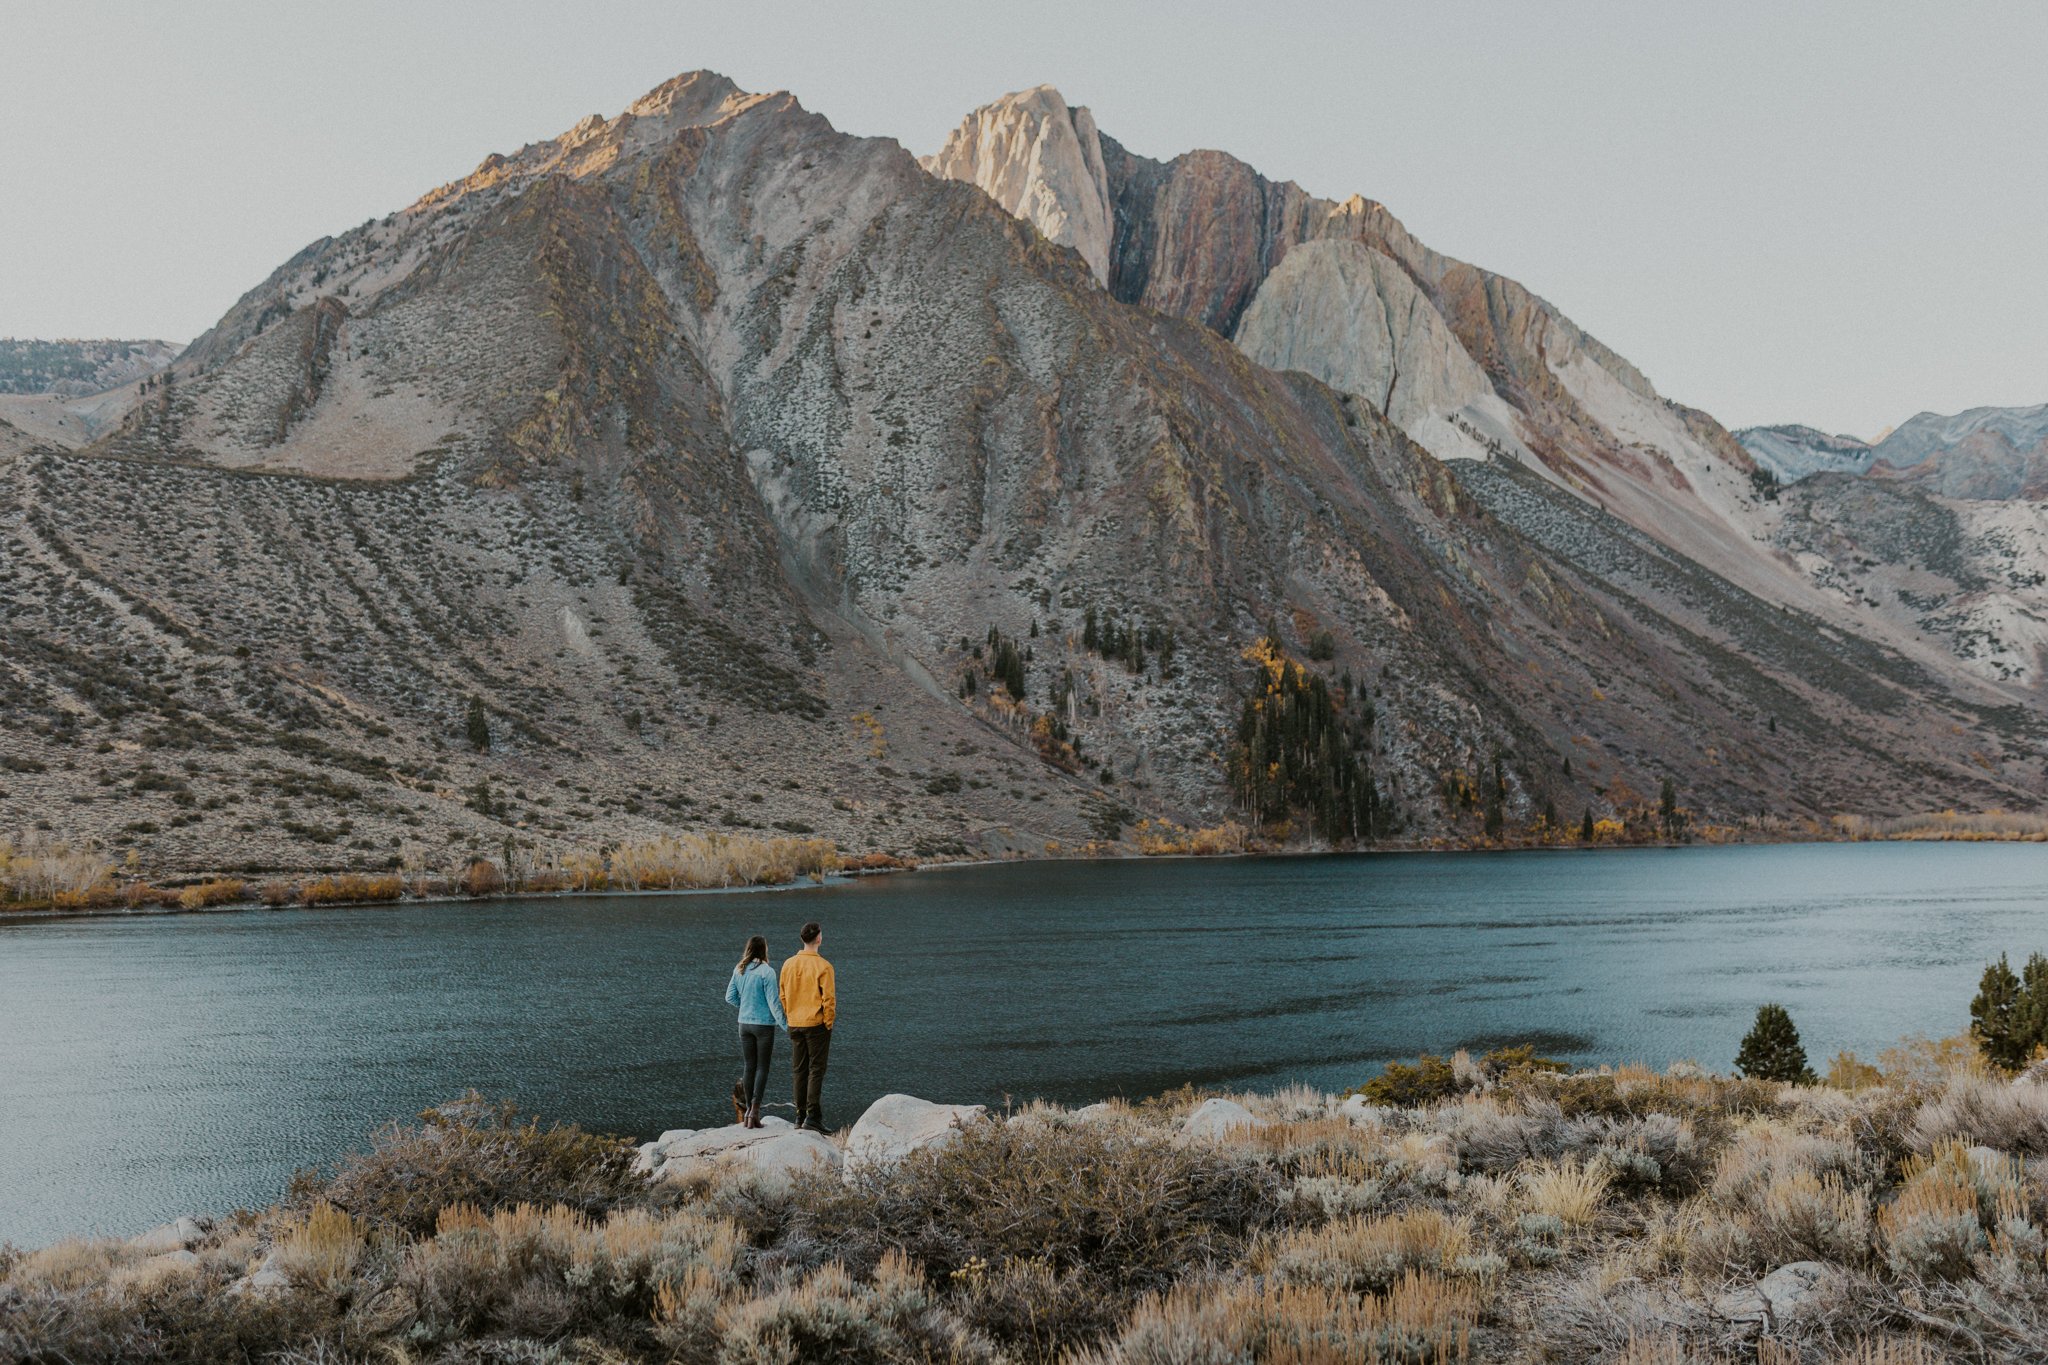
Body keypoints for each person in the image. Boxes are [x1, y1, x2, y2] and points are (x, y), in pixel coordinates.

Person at [724, 934, 786, 1128]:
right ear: (763, 950)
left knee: (749, 1066)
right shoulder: (767, 972)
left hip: (744, 1024)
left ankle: (748, 1115)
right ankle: (755, 1111)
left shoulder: (739, 969)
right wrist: (786, 1025)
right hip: (764, 1026)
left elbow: (729, 997)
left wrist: (746, 1007)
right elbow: (774, 1003)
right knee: (762, 1067)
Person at [779, 920, 835, 1131]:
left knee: (799, 1070)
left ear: (802, 939)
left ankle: (799, 1115)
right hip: (816, 1024)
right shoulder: (824, 966)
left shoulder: (788, 964)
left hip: (794, 1023)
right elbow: (828, 1000)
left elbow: (782, 995)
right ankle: (813, 1117)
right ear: (819, 938)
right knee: (816, 1070)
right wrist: (828, 1023)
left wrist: (790, 1014)